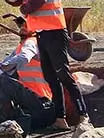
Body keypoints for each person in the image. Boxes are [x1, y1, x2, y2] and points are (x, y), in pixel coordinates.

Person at [14, 0, 89, 129]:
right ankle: (60, 119)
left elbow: (33, 5)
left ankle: (83, 115)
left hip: (55, 33)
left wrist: (23, 8)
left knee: (63, 75)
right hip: (42, 33)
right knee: (51, 77)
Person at [0, 17, 55, 133]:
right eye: (21, 25)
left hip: (42, 103)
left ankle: (7, 119)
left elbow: (24, 57)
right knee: (1, 77)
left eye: (26, 25)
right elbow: (4, 62)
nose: (22, 29)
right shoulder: (22, 46)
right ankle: (9, 119)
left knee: (1, 79)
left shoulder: (32, 42)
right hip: (37, 105)